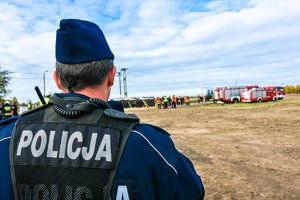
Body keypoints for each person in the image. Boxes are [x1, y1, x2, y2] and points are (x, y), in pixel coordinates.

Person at [0, 19, 204, 200]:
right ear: (111, 76)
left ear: (56, 78)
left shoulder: (7, 138)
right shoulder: (149, 145)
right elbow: (193, 191)